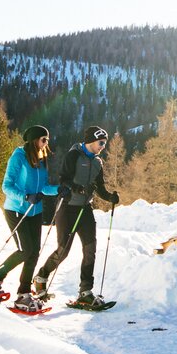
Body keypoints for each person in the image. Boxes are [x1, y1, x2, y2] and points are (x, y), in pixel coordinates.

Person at [35, 124, 120, 309]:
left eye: (104, 143)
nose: (103, 146)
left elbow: (100, 188)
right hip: (68, 208)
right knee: (63, 251)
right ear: (91, 141)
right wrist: (77, 188)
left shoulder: (98, 162)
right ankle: (41, 276)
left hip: (85, 209)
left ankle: (85, 292)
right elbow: (63, 179)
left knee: (90, 250)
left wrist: (110, 197)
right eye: (100, 142)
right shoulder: (74, 155)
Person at [0, 124, 58, 312]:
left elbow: (43, 187)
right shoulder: (18, 156)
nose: (46, 143)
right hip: (17, 210)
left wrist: (60, 190)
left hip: (35, 210)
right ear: (34, 139)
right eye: (43, 139)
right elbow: (6, 186)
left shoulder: (41, 159)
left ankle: (23, 294)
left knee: (34, 252)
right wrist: (25, 196)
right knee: (25, 250)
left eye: (47, 140)